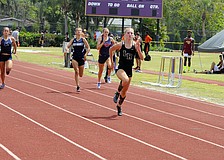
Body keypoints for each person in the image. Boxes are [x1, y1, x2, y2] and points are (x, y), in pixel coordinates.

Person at [109, 28, 143, 116]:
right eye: (128, 33)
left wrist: (138, 50)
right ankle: (117, 93)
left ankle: (119, 106)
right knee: (125, 79)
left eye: (131, 33)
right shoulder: (121, 45)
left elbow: (142, 58)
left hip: (129, 70)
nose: (130, 35)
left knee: (124, 93)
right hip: (121, 68)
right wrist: (112, 62)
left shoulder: (135, 45)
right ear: (124, 35)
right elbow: (111, 49)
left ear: (133, 35)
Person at [65, 28, 90, 92]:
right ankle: (78, 86)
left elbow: (88, 47)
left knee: (81, 74)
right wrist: (67, 49)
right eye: (77, 31)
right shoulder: (73, 40)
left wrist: (86, 54)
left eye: (80, 31)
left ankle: (79, 78)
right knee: (76, 71)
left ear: (81, 32)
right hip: (75, 57)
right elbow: (67, 46)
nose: (78, 32)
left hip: (81, 57)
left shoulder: (83, 40)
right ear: (75, 32)